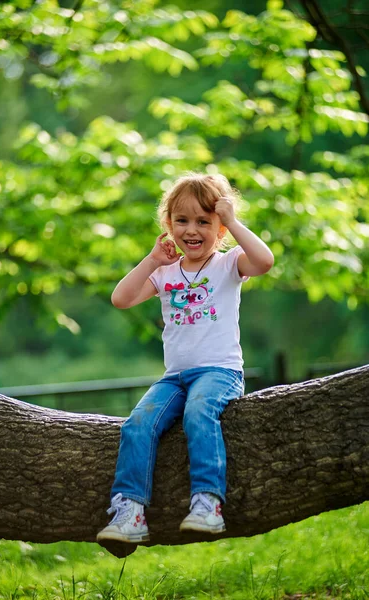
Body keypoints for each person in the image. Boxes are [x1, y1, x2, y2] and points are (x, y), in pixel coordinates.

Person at [96, 172, 274, 544]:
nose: (192, 230)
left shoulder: (228, 264)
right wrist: (151, 260)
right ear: (169, 225)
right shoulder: (164, 272)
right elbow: (121, 298)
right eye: (182, 220)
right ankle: (130, 511)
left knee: (198, 412)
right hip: (175, 377)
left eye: (204, 221)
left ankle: (208, 503)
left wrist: (236, 221)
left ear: (220, 228)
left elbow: (265, 261)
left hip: (219, 373)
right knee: (137, 424)